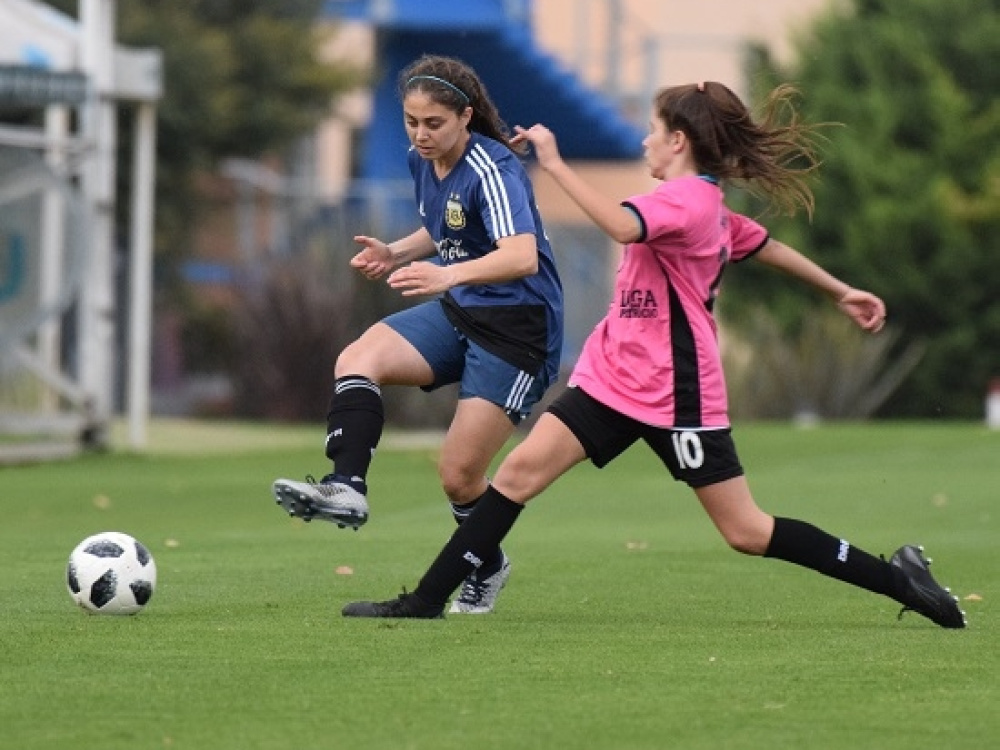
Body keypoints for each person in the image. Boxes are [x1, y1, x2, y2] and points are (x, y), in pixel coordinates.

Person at [341, 81, 967, 629]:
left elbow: (620, 227)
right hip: (612, 378)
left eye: (652, 129)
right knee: (516, 475)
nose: (645, 140)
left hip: (676, 393)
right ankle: (425, 600)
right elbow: (762, 244)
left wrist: (555, 164)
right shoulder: (704, 204)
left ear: (678, 141)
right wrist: (839, 290)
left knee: (746, 531)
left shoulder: (687, 201)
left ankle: (900, 579)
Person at [271, 55, 564, 615]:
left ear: (465, 117)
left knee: (459, 477)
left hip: (517, 330)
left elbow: (521, 256)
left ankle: (487, 564)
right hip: (461, 310)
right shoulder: (422, 160)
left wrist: (447, 275)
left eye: (434, 123)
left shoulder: (494, 168)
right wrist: (395, 252)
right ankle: (347, 486)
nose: (421, 135)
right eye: (411, 122)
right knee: (358, 358)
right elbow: (446, 222)